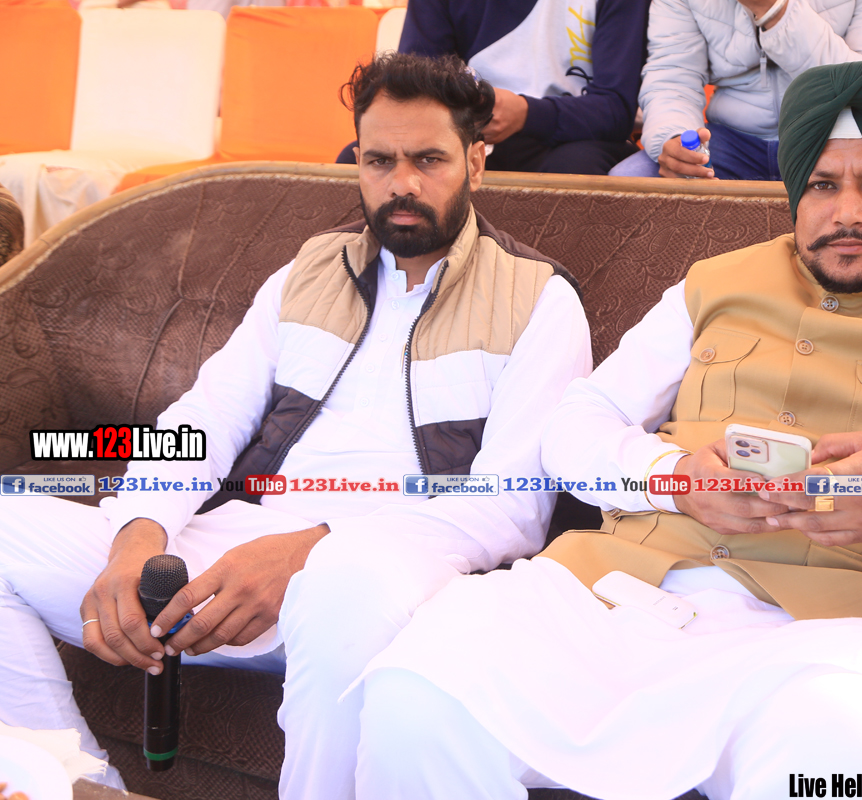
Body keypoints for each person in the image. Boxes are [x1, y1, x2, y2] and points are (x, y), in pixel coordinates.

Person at [347, 62, 862, 798]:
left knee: (846, 751)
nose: (846, 212)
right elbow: (577, 422)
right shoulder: (713, 283)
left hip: (817, 644)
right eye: (822, 185)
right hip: (603, 596)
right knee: (418, 692)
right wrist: (668, 477)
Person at [0, 53, 591, 796]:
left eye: (428, 159)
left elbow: (511, 507)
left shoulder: (538, 300)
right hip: (234, 562)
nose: (402, 183)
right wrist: (139, 529)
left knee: (342, 581)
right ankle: (77, 782)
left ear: (475, 160)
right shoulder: (307, 273)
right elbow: (205, 419)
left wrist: (313, 550)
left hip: (396, 576)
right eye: (379, 160)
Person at [610, 0, 862, 180]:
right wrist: (674, 137)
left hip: (838, 139)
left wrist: (774, 10)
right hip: (730, 141)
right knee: (630, 184)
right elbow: (673, 74)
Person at [336, 0, 650, 175]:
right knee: (361, 161)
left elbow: (616, 108)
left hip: (571, 140)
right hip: (468, 134)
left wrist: (526, 114)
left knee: (574, 169)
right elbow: (415, 90)